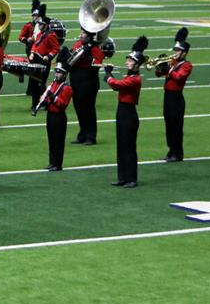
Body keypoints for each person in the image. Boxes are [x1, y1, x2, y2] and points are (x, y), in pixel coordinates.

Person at [105, 36, 147, 188]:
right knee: (121, 145)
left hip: (128, 113)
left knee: (129, 147)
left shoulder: (135, 79)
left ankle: (131, 178)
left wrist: (109, 77)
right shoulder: (130, 75)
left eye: (130, 61)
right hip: (122, 111)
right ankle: (122, 177)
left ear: (136, 65)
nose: (126, 62)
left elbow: (118, 85)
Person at [156, 28, 192, 162]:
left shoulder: (187, 65)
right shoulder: (172, 62)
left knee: (176, 126)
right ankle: (171, 151)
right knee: (168, 124)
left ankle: (178, 153)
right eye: (175, 50)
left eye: (178, 51)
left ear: (184, 52)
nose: (175, 53)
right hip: (167, 96)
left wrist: (169, 69)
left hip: (176, 97)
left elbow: (179, 77)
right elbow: (158, 74)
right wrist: (160, 66)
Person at [36, 52, 74, 172]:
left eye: (59, 72)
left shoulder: (67, 87)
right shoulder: (52, 84)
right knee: (51, 140)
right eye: (56, 72)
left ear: (64, 74)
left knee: (58, 141)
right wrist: (43, 101)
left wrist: (52, 97)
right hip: (50, 115)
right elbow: (47, 98)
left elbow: (63, 104)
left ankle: (57, 164)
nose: (57, 74)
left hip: (59, 116)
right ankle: (52, 162)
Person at [68, 29, 105, 146]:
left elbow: (97, 64)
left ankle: (91, 136)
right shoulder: (78, 44)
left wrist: (88, 56)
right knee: (78, 108)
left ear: (89, 36)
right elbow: (71, 59)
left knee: (88, 109)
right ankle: (82, 134)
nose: (81, 35)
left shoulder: (95, 48)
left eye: (83, 33)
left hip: (88, 81)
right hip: (76, 79)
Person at [26, 5, 60, 110]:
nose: (39, 25)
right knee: (34, 82)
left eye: (41, 24)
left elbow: (56, 48)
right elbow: (35, 45)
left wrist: (48, 56)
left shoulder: (51, 35)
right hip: (35, 60)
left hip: (44, 61)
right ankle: (42, 102)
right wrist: (32, 52)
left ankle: (39, 103)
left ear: (45, 25)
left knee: (39, 83)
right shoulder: (40, 34)